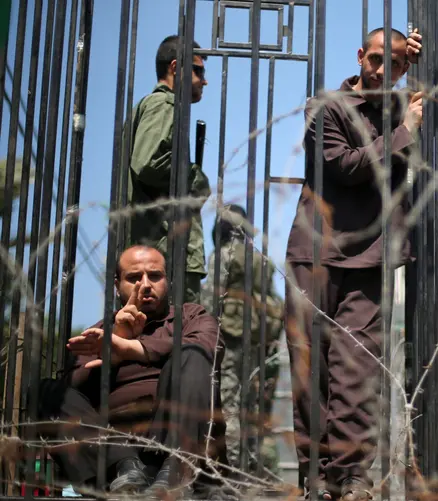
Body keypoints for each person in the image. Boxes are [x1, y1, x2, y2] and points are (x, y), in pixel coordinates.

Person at [284, 27, 438, 500]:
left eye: (393, 64)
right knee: (311, 377)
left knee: (356, 373)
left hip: (368, 261)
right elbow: (341, 164)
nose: (380, 70)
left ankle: (351, 479)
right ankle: (314, 478)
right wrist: (405, 132)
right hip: (315, 255)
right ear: (359, 56)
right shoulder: (326, 105)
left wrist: (435, 58)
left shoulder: (401, 101)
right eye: (373, 60)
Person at [37, 245, 225, 496]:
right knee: (46, 390)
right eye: (134, 277)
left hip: (177, 447)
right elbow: (72, 391)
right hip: (114, 454)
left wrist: (132, 348)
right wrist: (115, 346)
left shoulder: (192, 317)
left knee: (192, 354)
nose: (145, 285)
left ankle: (177, 473)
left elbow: (208, 348)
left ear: (167, 280)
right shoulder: (101, 332)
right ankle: (126, 472)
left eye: (155, 276)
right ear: (117, 285)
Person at [202, 204, 285, 478]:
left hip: (229, 339)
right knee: (251, 407)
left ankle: (233, 470)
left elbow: (210, 300)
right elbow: (274, 300)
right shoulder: (260, 258)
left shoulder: (223, 256)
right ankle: (255, 469)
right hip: (259, 340)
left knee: (230, 405)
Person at [127, 34, 211, 303]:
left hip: (161, 251)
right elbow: (148, 164)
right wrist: (195, 179)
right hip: (166, 253)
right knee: (178, 335)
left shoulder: (161, 107)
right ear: (176, 68)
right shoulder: (165, 105)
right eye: (198, 70)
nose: (204, 80)